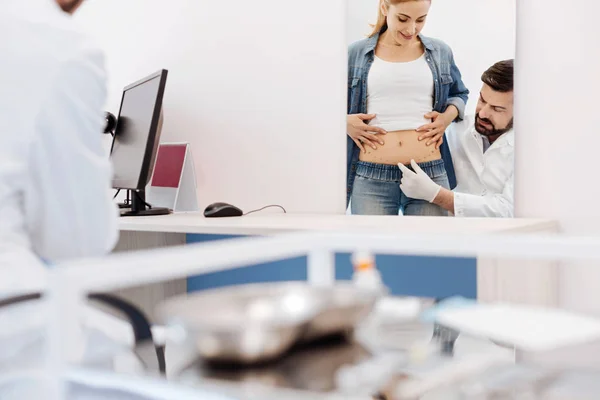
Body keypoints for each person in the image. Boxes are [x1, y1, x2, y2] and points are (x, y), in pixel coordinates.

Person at [347, 0, 469, 216]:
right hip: (371, 178)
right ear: (385, 8)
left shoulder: (440, 51)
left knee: (430, 249)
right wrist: (344, 122)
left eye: (421, 20)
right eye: (403, 19)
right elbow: (322, 104)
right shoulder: (355, 53)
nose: (411, 29)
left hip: (429, 172)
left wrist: (445, 118)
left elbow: (459, 94)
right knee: (372, 249)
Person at [398, 59, 514, 218]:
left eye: (497, 109)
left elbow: (508, 209)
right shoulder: (453, 130)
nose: (482, 113)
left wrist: (436, 194)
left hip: (500, 239)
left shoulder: (529, 151)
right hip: (448, 234)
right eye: (482, 100)